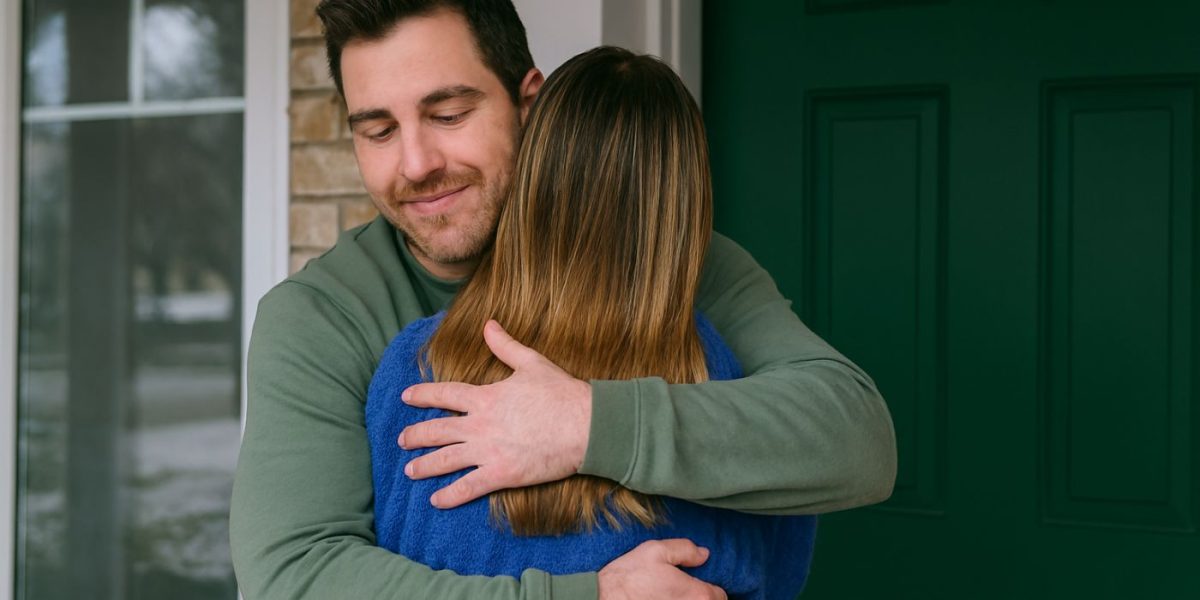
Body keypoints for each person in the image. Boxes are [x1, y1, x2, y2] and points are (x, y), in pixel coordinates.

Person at [230, 1, 896, 598]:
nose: (415, 163)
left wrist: (586, 425)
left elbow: (857, 441)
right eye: (378, 130)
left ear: (531, 103)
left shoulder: (675, 263)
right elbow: (296, 579)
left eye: (449, 114)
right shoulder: (322, 317)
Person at [367, 45, 816, 600]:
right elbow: (780, 571)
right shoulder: (728, 376)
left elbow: (375, 564)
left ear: (532, 177)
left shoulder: (418, 364)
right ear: (685, 204)